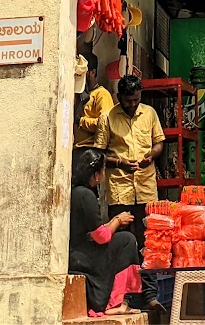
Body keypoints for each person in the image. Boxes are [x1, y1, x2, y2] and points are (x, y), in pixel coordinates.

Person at [96, 74, 164, 316]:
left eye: (136, 99)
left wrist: (151, 156)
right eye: (128, 101)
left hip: (146, 188)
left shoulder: (150, 114)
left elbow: (159, 143)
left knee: (150, 245)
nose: (133, 104)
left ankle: (150, 297)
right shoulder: (108, 117)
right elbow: (99, 155)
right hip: (120, 190)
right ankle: (122, 298)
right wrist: (120, 163)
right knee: (123, 244)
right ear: (119, 97)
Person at [68, 148, 143, 315]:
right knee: (127, 240)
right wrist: (118, 220)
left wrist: (111, 223)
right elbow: (101, 237)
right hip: (82, 256)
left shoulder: (76, 192)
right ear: (96, 174)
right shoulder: (85, 195)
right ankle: (116, 302)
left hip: (76, 253)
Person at [73, 51, 114, 152]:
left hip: (90, 149)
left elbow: (104, 124)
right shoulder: (80, 93)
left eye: (84, 73)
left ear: (93, 72)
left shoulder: (102, 94)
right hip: (77, 148)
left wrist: (81, 121)